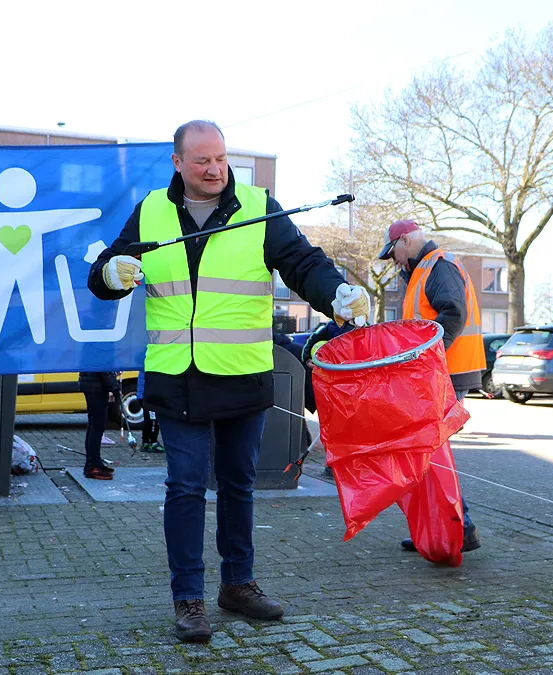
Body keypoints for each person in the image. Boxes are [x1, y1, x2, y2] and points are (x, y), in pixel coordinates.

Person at [87, 120, 370, 643]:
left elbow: (303, 264)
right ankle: (188, 598)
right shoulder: (151, 209)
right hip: (178, 377)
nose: (215, 169)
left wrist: (338, 295)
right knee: (186, 486)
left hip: (241, 373)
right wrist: (111, 273)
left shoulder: (260, 206)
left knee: (239, 485)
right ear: (178, 163)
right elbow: (107, 269)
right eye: (202, 161)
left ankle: (238, 585)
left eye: (221, 159)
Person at [377, 219, 486, 555]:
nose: (393, 260)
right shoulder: (424, 270)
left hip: (446, 373)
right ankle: (442, 527)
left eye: (392, 251)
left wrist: (422, 356)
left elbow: (452, 315)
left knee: (431, 453)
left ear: (405, 241)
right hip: (439, 372)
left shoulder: (438, 267)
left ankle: (458, 527)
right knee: (429, 453)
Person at [80, 371, 120, 479]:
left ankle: (92, 463)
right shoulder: (101, 353)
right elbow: (104, 368)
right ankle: (93, 465)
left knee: (94, 424)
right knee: (97, 425)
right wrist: (114, 387)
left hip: (93, 384)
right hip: (96, 386)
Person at [135, 370, 163, 453]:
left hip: (143, 395)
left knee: (148, 420)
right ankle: (153, 442)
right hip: (149, 396)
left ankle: (145, 442)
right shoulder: (152, 365)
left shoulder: (144, 362)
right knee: (154, 420)